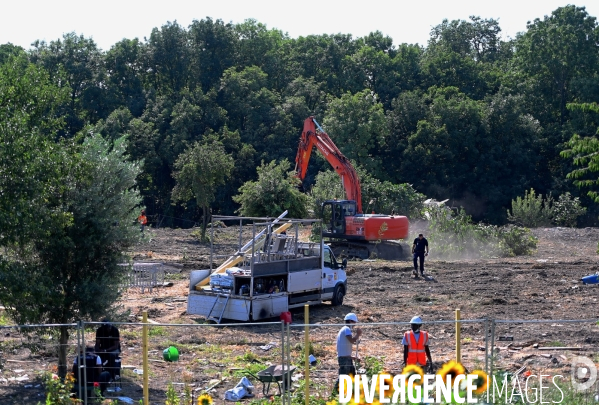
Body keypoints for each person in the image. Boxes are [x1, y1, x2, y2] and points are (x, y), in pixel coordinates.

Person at [337, 313, 362, 377]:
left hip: (346, 358)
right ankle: (336, 387)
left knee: (352, 376)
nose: (355, 324)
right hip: (344, 359)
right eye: (354, 322)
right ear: (350, 321)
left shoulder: (345, 329)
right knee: (343, 378)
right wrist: (358, 334)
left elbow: (348, 344)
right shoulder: (346, 329)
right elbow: (352, 340)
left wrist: (352, 357)